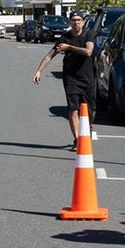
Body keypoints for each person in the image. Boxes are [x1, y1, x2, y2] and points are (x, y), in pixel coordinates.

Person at [31, 10, 95, 147]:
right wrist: (38, 71)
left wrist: (69, 48)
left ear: (83, 22)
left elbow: (88, 52)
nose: (76, 22)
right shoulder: (64, 38)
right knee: (73, 109)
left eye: (79, 20)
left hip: (87, 77)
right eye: (73, 20)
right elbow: (49, 56)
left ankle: (88, 126)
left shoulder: (88, 34)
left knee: (91, 110)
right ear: (69, 22)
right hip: (70, 77)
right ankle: (78, 140)